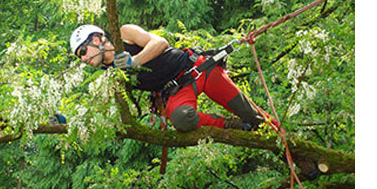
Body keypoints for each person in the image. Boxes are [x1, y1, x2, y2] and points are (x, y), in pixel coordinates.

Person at [69, 23, 276, 132]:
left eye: (83, 51)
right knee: (181, 119)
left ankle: (292, 150)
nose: (84, 59)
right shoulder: (110, 73)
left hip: (198, 68)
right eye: (80, 56)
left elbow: (159, 43)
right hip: (177, 89)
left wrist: (135, 61)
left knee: (254, 116)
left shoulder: (124, 33)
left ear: (96, 39)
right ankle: (233, 125)